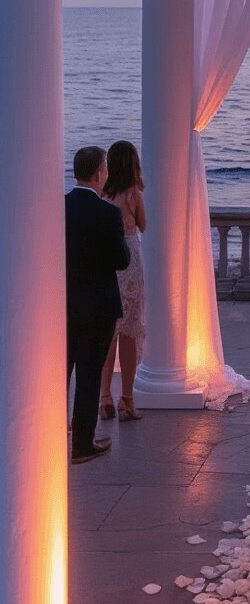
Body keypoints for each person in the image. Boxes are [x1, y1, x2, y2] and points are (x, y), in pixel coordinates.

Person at [65, 146, 130, 464]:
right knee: (89, 377)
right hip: (99, 306)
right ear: (99, 173)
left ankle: (48, 436)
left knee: (59, 375)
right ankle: (81, 445)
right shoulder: (108, 213)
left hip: (62, 306)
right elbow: (121, 260)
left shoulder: (58, 207)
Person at [99, 141, 147, 422]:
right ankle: (126, 400)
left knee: (109, 332)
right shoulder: (133, 194)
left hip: (108, 264)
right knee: (129, 331)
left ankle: (104, 396)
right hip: (129, 261)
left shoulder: (103, 195)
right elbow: (143, 225)